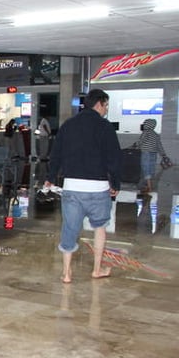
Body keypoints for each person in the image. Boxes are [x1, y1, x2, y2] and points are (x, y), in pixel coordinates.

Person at [44, 88, 121, 283]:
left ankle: (67, 273)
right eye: (106, 106)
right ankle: (97, 269)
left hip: (72, 187)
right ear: (99, 104)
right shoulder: (105, 127)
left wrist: (51, 177)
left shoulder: (68, 125)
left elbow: (56, 155)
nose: (106, 110)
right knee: (100, 227)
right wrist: (115, 182)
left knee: (70, 228)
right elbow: (114, 158)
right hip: (99, 188)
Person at [136, 118, 166, 193]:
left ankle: (149, 187)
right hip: (153, 154)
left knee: (146, 169)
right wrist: (163, 154)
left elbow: (141, 141)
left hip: (146, 153)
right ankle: (146, 185)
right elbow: (159, 145)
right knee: (151, 169)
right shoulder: (155, 134)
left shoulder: (146, 132)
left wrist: (137, 145)